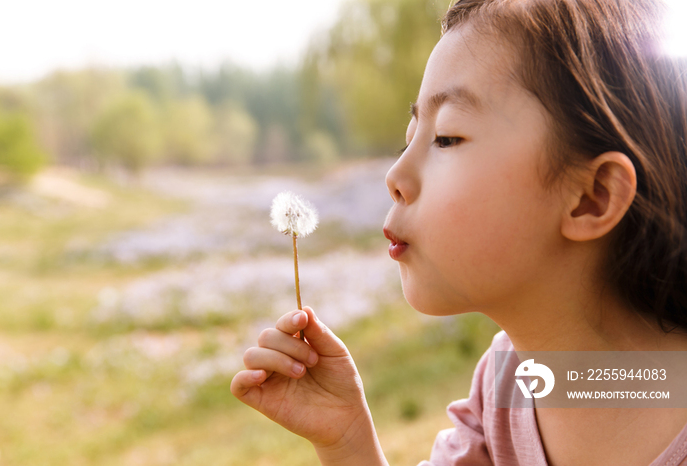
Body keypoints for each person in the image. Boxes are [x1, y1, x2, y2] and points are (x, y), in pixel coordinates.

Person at [231, 0, 687, 464]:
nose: (394, 176)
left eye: (446, 137)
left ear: (593, 197)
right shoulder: (505, 386)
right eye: (409, 139)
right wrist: (346, 440)